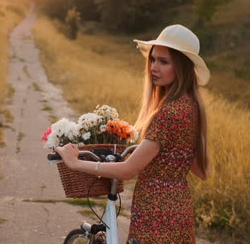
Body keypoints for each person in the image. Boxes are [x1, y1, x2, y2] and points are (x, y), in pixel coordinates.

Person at [55, 24, 210, 244]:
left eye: (164, 61)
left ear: (182, 68)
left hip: (155, 212)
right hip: (178, 208)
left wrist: (74, 162)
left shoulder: (169, 113)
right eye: (153, 59)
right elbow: (197, 168)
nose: (154, 67)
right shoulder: (191, 107)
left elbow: (128, 170)